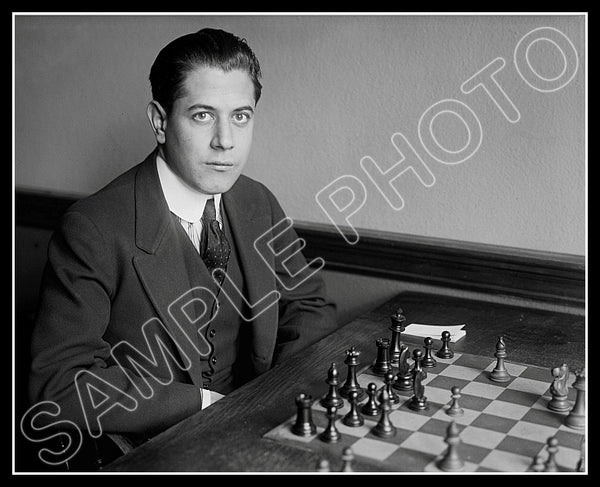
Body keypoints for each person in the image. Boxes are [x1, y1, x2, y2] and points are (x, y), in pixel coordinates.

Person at [28, 27, 338, 464]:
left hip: (260, 434)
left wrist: (275, 395)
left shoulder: (257, 201)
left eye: (241, 116)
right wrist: (203, 404)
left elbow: (310, 307)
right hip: (161, 450)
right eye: (202, 115)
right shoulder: (93, 227)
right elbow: (59, 385)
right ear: (160, 121)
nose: (225, 141)